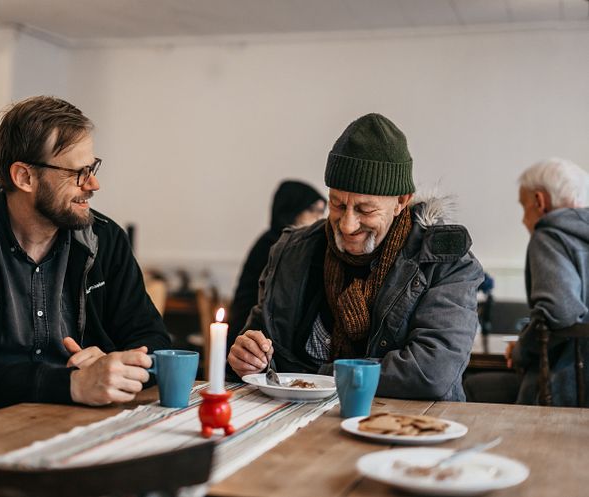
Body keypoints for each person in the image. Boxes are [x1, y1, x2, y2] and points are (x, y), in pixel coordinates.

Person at [0, 96, 171, 431]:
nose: (93, 185)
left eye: (91, 168)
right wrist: (72, 384)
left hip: (72, 432)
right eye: (77, 173)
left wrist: (122, 365)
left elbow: (155, 342)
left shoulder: (105, 240)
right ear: (24, 177)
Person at [227, 113, 483, 400]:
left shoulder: (444, 263)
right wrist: (249, 356)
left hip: (410, 428)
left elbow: (431, 372)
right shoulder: (292, 252)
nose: (347, 225)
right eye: (337, 205)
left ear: (401, 201)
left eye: (365, 210)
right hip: (300, 427)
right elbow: (262, 343)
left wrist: (314, 378)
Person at [465, 158, 589, 405]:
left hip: (564, 390)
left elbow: (558, 313)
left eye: (524, 207)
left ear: (540, 202)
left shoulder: (550, 236)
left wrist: (522, 349)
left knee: (470, 386)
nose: (524, 220)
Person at [228, 180, 326, 337]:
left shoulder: (273, 240)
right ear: (292, 209)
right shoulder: (275, 246)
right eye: (312, 210)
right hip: (248, 333)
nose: (319, 218)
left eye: (322, 211)